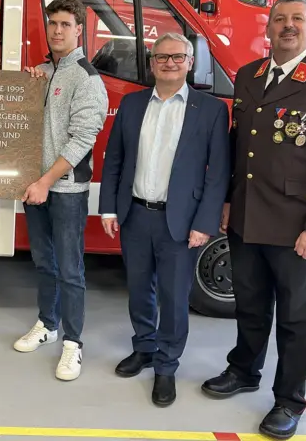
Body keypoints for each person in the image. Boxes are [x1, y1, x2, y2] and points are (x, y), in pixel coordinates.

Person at [201, 0, 306, 440]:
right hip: (248, 218)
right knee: (250, 307)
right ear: (267, 29)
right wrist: (231, 202)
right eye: (279, 20)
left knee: (296, 319)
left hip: (298, 227)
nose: (287, 26)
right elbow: (241, 148)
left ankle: (290, 399)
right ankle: (244, 370)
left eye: (296, 19)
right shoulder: (250, 76)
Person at [98, 32, 230, 406]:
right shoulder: (132, 103)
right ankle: (143, 347)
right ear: (152, 63)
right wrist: (109, 207)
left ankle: (166, 366)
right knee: (139, 290)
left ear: (190, 62)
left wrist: (204, 223)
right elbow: (115, 160)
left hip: (182, 222)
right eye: (161, 57)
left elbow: (217, 173)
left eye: (177, 57)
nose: (169, 63)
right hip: (136, 214)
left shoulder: (210, 110)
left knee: (174, 298)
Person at [13, 0, 108, 382]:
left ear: (79, 30)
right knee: (43, 262)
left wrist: (46, 181)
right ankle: (47, 324)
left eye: (66, 24)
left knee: (70, 269)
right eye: (53, 24)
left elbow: (82, 138)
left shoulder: (86, 78)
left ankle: (73, 342)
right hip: (35, 189)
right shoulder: (40, 71)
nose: (57, 31)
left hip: (64, 190)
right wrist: (26, 88)